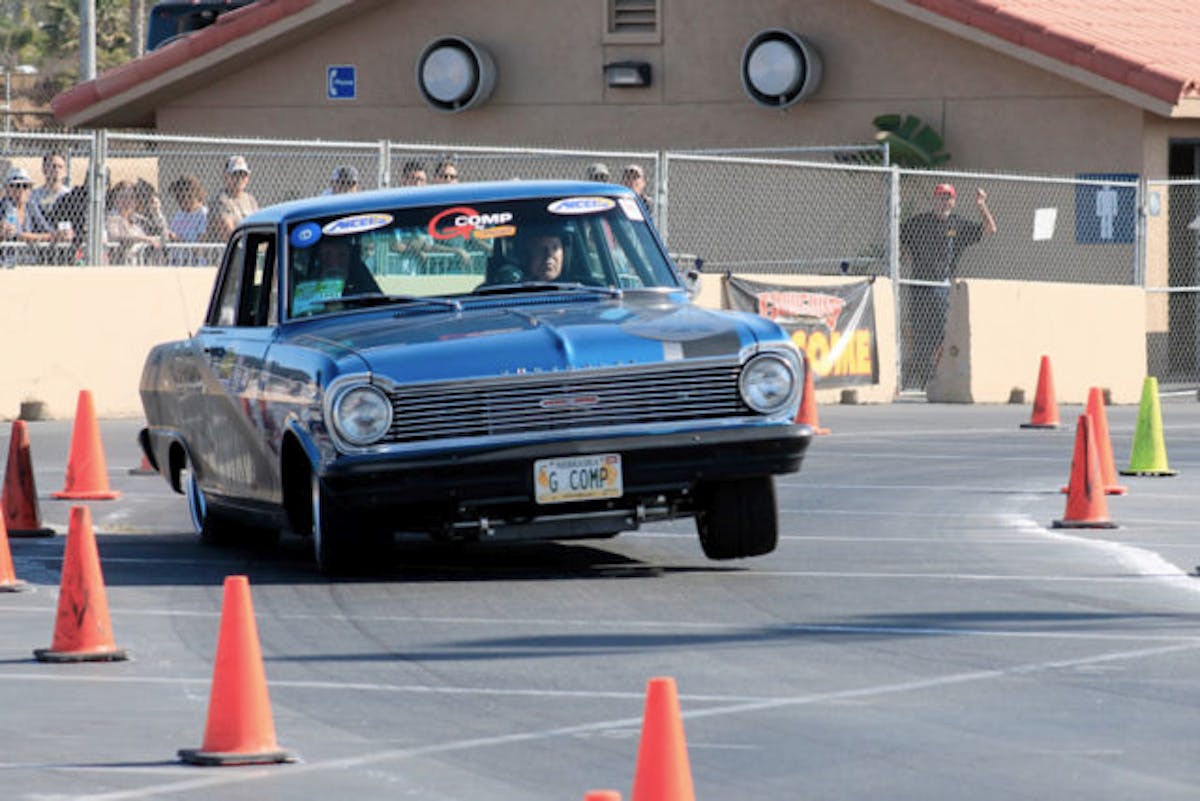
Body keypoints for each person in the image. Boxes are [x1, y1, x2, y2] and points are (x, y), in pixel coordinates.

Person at [899, 182, 997, 388]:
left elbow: (990, 228)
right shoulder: (919, 222)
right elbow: (900, 240)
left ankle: (938, 377)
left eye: (948, 198)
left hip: (943, 287)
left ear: (953, 201)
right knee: (919, 334)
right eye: (940, 197)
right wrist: (903, 255)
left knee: (942, 335)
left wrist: (981, 205)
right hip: (919, 287)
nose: (944, 201)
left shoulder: (958, 224)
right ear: (934, 199)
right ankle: (921, 381)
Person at [0, 166, 66, 265]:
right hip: (8, 259)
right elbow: (17, 235)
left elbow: (44, 227)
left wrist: (60, 234)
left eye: (25, 186)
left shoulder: (30, 205)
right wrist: (52, 236)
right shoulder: (7, 205)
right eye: (16, 186)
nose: (21, 190)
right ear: (7, 189)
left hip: (29, 258)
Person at [105, 180, 162, 265]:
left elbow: (160, 234)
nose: (127, 200)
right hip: (120, 265)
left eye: (131, 197)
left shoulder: (139, 220)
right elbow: (116, 236)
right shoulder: (112, 218)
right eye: (123, 197)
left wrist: (157, 212)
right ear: (115, 200)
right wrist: (145, 239)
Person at [206, 155, 258, 241]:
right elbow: (228, 233)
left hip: (249, 242)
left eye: (243, 175)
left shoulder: (251, 200)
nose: (240, 178)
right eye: (235, 174)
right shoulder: (220, 200)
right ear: (226, 177)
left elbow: (258, 226)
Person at [166, 174, 209, 264]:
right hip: (175, 261)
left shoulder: (203, 214)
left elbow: (202, 249)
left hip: (193, 262)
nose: (180, 203)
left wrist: (179, 240)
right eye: (178, 198)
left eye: (182, 198)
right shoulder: (179, 214)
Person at [29, 152, 70, 217]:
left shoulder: (68, 194)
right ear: (44, 169)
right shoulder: (34, 195)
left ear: (65, 172)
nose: (57, 170)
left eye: (60, 167)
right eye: (53, 166)